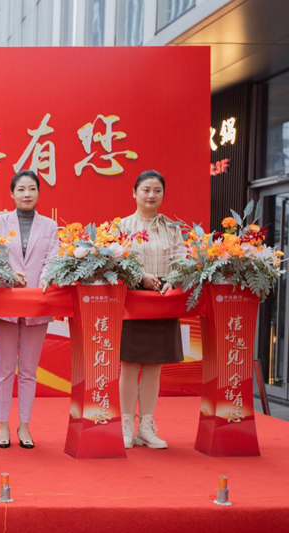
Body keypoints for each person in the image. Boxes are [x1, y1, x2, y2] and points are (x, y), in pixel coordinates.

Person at [0, 170, 58, 449]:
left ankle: (25, 426)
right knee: (4, 369)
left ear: (38, 192)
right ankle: (3, 425)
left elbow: (53, 260)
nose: (26, 194)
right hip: (6, 302)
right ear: (12, 193)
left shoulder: (50, 225)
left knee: (29, 369)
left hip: (37, 303)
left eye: (31, 189)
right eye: (21, 189)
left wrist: (44, 280)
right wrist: (8, 275)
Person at [118, 169, 184, 449]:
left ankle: (146, 426)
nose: (151, 195)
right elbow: (117, 263)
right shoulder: (122, 227)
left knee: (154, 365)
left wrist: (172, 280)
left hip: (163, 300)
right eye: (145, 190)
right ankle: (126, 424)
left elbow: (182, 261)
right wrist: (140, 277)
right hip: (133, 302)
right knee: (130, 364)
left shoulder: (173, 228)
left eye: (157, 190)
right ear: (134, 193)